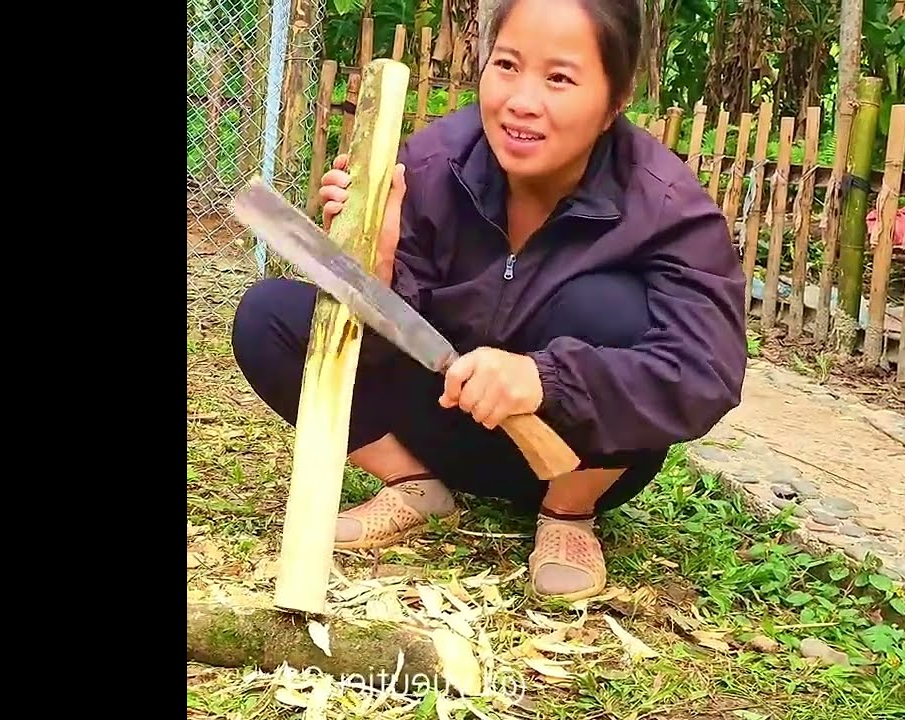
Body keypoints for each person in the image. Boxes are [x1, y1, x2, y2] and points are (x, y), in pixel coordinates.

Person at [231, 0, 748, 601]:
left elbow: (706, 370)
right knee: (270, 317)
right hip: (440, 421)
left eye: (559, 78)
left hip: (570, 453)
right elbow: (381, 343)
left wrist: (544, 379)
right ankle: (416, 485)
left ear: (616, 99)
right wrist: (376, 263)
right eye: (507, 65)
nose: (521, 101)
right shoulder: (432, 162)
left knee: (610, 309)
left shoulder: (665, 208)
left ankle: (569, 516)